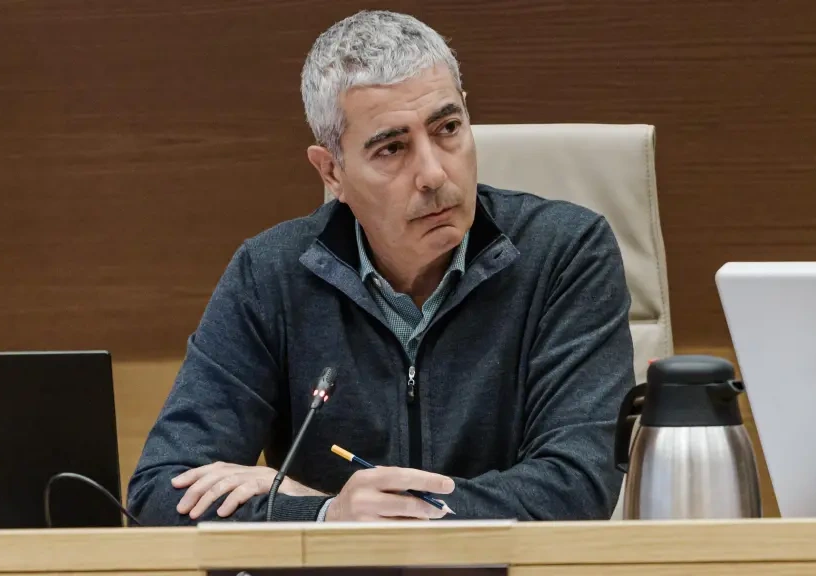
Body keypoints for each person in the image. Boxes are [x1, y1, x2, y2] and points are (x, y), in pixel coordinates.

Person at [128, 10, 634, 524]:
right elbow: (160, 492)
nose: (434, 173)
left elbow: (577, 487)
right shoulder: (270, 274)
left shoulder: (566, 252)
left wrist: (352, 512)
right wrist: (327, 516)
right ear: (333, 172)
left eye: (448, 129)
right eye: (392, 148)